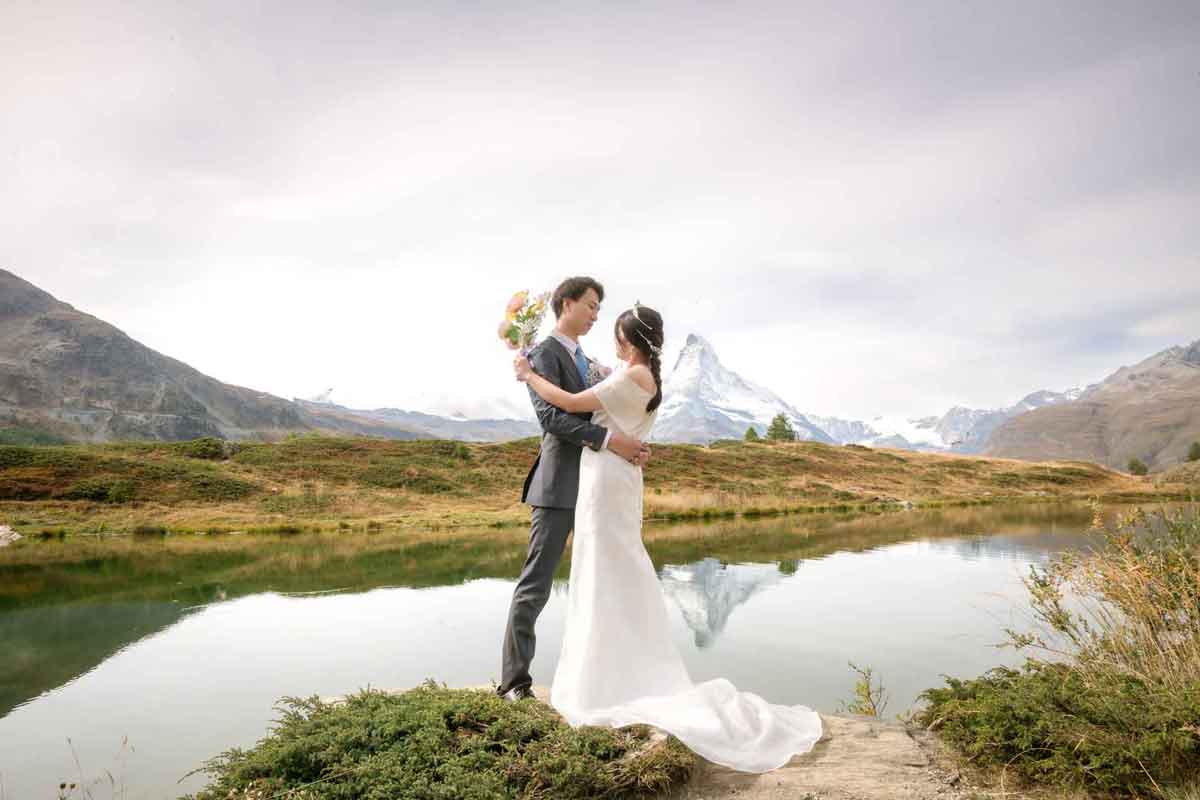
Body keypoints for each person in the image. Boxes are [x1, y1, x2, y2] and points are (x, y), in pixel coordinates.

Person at [513, 303, 823, 773]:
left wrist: (526, 373)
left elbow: (572, 405)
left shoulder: (629, 378)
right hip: (617, 480)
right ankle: (618, 670)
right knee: (613, 566)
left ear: (628, 341)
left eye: (617, 336)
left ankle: (603, 682)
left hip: (605, 482)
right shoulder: (641, 377)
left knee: (603, 569)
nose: (612, 345)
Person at [496, 276, 651, 702]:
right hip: (559, 484)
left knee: (597, 582)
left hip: (596, 488)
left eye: (599, 308)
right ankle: (513, 682)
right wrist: (611, 441)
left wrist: (628, 439)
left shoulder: (587, 359)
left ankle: (602, 677)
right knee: (536, 584)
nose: (596, 314)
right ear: (565, 304)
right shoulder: (542, 353)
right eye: (590, 305)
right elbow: (552, 418)